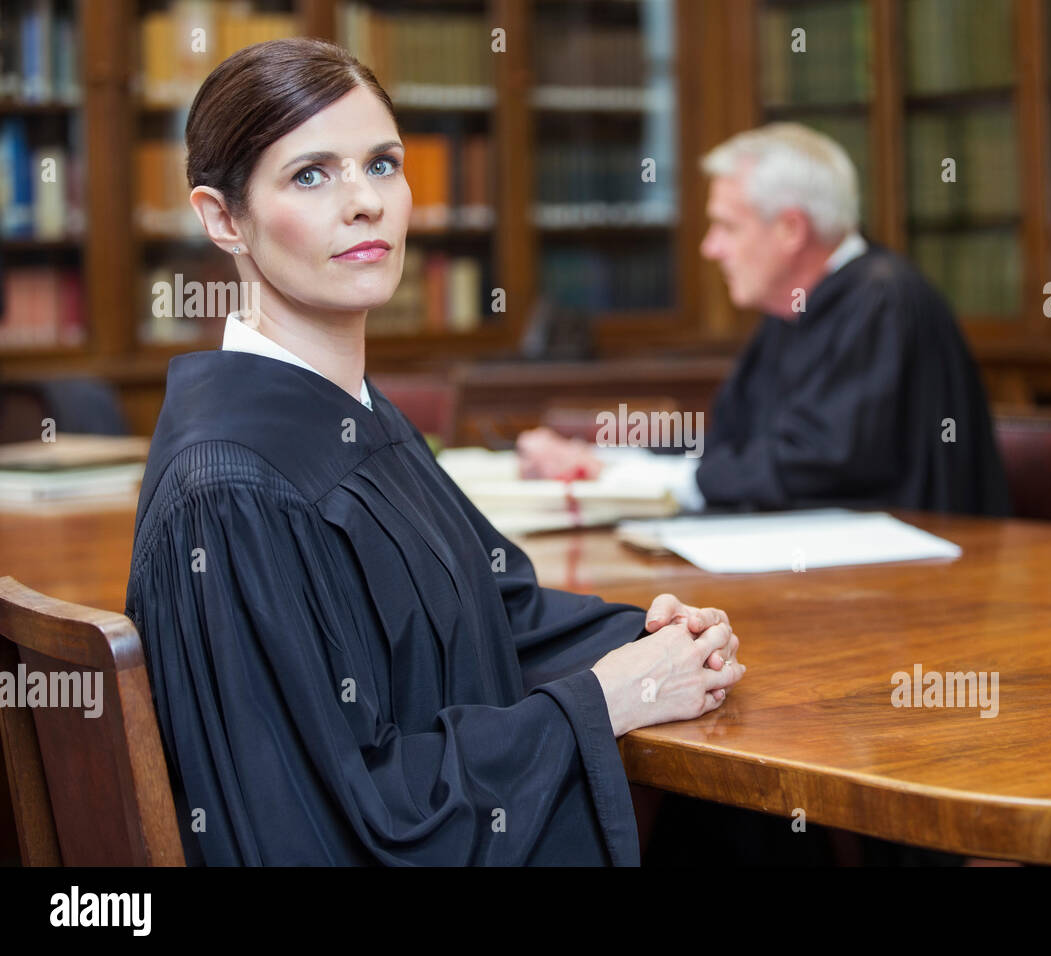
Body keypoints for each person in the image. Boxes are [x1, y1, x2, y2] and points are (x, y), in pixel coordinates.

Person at [123, 37, 744, 866]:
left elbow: (492, 613)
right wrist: (606, 699)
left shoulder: (353, 414)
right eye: (310, 175)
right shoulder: (229, 491)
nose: (365, 202)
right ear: (222, 218)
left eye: (382, 164)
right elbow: (343, 818)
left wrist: (652, 639)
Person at [517, 123, 1011, 519]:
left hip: (918, 596)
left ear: (790, 228)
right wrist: (605, 461)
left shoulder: (881, 299)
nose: (710, 248)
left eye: (728, 226)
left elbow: (819, 462)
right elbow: (735, 442)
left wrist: (650, 481)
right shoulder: (792, 310)